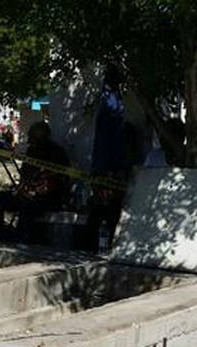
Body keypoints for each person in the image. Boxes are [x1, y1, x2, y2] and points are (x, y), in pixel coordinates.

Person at [88, 65, 130, 250]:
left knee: (105, 207)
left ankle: (98, 242)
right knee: (107, 208)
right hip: (109, 164)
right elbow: (109, 139)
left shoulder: (109, 100)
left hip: (106, 164)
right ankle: (100, 242)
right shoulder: (112, 101)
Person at [12, 121, 72, 232]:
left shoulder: (57, 153)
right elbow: (25, 173)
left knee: (28, 206)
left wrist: (42, 188)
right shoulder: (31, 151)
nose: (31, 143)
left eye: (34, 140)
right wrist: (24, 187)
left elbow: (62, 179)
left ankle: (23, 235)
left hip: (49, 197)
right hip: (30, 193)